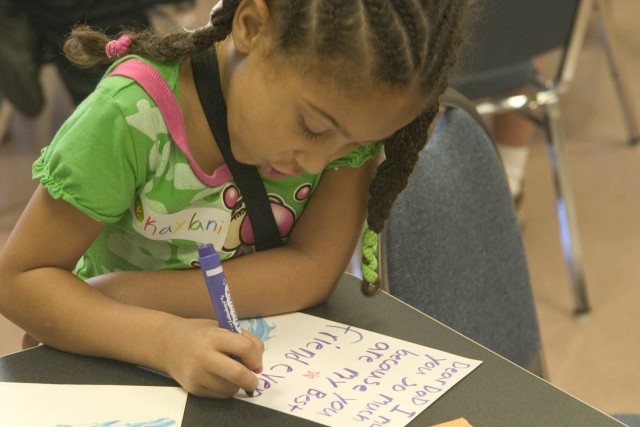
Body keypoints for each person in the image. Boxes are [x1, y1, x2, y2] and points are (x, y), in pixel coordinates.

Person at [0, 0, 469, 399]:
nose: (317, 163)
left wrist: (127, 293)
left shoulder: (348, 120)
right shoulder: (132, 114)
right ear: (250, 27)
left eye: (349, 147)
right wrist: (164, 339)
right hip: (111, 358)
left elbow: (312, 270)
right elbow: (19, 279)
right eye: (312, 127)